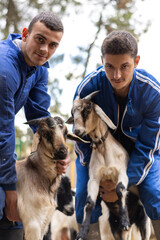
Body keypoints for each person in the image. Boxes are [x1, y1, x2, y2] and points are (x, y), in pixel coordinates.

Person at [73, 30, 160, 239]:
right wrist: (96, 175)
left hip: (140, 153)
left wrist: (122, 184)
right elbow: (80, 139)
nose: (116, 75)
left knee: (155, 195)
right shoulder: (87, 88)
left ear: (136, 61)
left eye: (124, 66)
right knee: (83, 195)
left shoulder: (152, 92)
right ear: (102, 60)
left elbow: (149, 145)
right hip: (96, 153)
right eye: (109, 66)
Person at [0, 11, 70, 240]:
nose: (44, 50)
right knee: (6, 200)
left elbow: (40, 115)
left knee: (17, 219)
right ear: (25, 34)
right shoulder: (5, 70)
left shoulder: (39, 68)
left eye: (52, 45)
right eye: (40, 40)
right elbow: (4, 133)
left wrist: (60, 152)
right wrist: (10, 190)